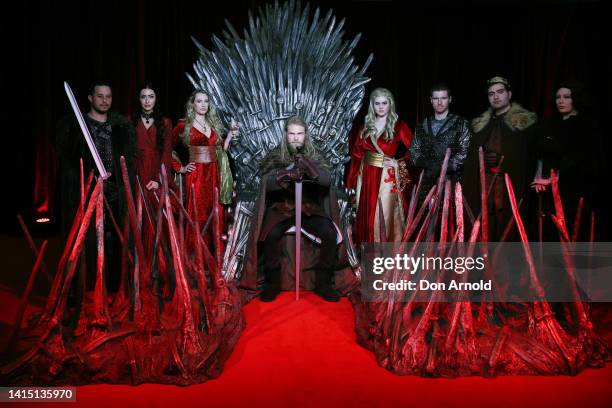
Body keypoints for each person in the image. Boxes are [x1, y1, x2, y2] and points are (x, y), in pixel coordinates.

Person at [240, 116, 342, 302]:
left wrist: (310, 168)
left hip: (308, 207)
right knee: (270, 234)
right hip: (283, 207)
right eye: (292, 133)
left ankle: (323, 283)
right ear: (286, 135)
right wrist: (285, 174)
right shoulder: (275, 155)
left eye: (299, 134)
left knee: (329, 233)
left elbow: (327, 180)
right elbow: (266, 184)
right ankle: (272, 283)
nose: (296, 138)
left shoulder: (315, 155)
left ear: (305, 135)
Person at [56, 80, 135, 292]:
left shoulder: (120, 128)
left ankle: (117, 286)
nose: (104, 101)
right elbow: (69, 163)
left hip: (114, 192)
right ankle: (88, 286)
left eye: (108, 96)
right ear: (91, 98)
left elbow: (128, 160)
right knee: (89, 240)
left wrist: (118, 185)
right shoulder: (76, 128)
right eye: (100, 96)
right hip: (89, 191)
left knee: (117, 239)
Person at [463, 76, 538, 240]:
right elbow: (471, 160)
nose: (495, 97)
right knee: (486, 225)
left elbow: (530, 158)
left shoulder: (524, 124)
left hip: (509, 186)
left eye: (500, 92)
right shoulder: (480, 126)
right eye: (491, 94)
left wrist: (506, 161)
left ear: (509, 94)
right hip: (485, 186)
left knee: (508, 226)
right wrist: (481, 159)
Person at [531, 80, 602, 240]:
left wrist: (552, 181)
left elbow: (581, 160)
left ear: (575, 99)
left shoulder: (586, 126)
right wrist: (537, 177)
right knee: (548, 235)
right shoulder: (548, 124)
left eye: (566, 97)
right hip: (546, 192)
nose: (561, 101)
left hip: (572, 191)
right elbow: (539, 153)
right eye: (558, 97)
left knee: (570, 234)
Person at [346, 87, 413, 245]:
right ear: (372, 105)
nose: (381, 107)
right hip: (366, 175)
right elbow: (356, 156)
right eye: (377, 103)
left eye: (385, 103)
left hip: (386, 177)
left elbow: (416, 151)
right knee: (367, 214)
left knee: (384, 213)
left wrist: (397, 162)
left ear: (390, 104)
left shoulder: (399, 126)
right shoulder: (364, 127)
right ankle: (368, 253)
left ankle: (386, 254)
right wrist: (351, 183)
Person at [172, 90, 237, 251]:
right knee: (197, 214)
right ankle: (195, 258)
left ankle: (214, 258)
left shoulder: (213, 123)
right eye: (199, 101)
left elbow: (220, 150)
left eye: (206, 101)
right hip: (197, 176)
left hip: (214, 174)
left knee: (214, 213)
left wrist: (229, 136)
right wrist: (180, 168)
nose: (203, 105)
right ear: (192, 104)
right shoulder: (183, 125)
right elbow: (168, 149)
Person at [409, 83, 472, 204]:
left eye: (443, 98)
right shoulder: (422, 126)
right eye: (436, 98)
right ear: (431, 100)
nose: (439, 102)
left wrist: (442, 167)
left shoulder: (461, 124)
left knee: (449, 219)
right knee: (426, 219)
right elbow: (413, 152)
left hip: (451, 182)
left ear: (450, 99)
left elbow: (464, 153)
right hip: (426, 183)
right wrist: (428, 164)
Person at [132, 82, 174, 200]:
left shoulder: (165, 123)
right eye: (143, 97)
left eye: (151, 97)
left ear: (156, 99)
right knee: (137, 207)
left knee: (156, 210)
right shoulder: (130, 121)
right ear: (139, 99)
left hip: (156, 169)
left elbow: (166, 154)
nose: (147, 101)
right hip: (137, 171)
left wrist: (159, 180)